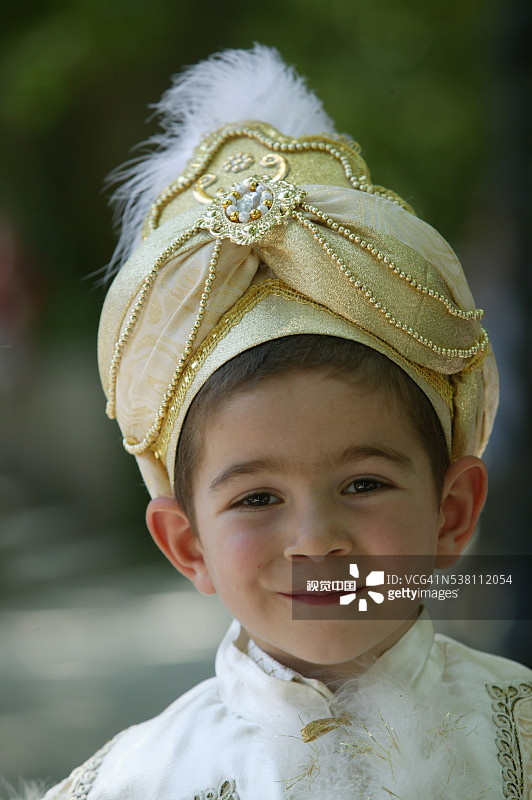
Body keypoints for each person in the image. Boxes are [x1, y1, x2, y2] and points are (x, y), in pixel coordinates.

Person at [43, 45, 531, 799]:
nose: (316, 540)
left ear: (453, 510)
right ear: (186, 543)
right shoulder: (130, 784)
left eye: (364, 482)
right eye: (257, 498)